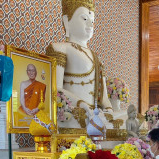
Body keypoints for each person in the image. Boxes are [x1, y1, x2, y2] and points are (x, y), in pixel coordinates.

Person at [46, 0, 113, 129]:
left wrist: (109, 110)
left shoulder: (96, 57)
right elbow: (56, 89)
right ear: (66, 21)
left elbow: (103, 97)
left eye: (92, 20)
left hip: (96, 113)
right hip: (76, 111)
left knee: (132, 118)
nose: (90, 24)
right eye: (84, 18)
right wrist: (82, 105)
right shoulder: (59, 48)